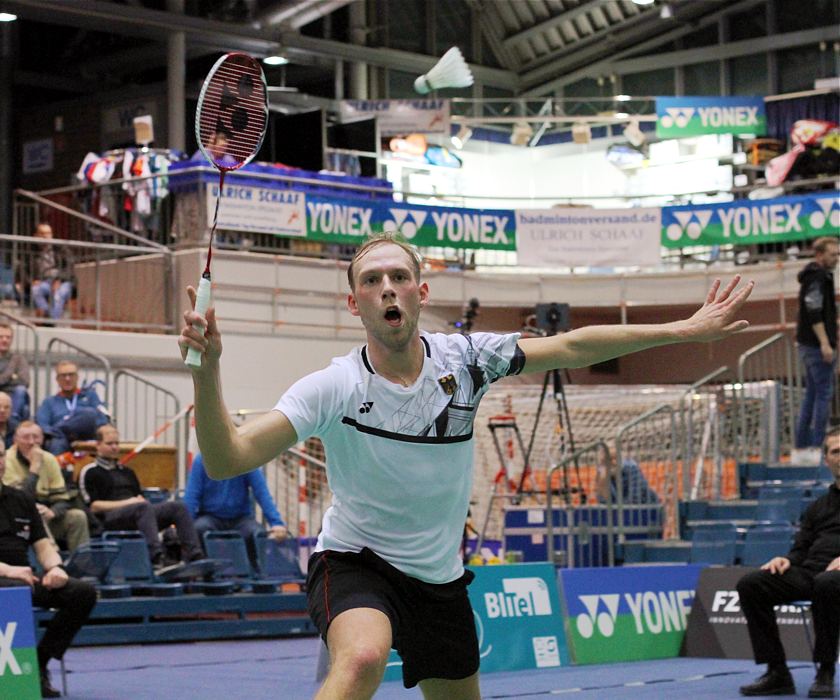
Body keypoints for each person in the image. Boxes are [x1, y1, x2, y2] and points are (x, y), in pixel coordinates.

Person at [178, 235, 754, 700]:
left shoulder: (469, 361)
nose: (388, 289)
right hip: (355, 561)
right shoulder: (334, 387)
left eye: (398, 277)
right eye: (371, 281)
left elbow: (573, 347)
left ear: (421, 291)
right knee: (360, 659)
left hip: (438, 578)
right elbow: (228, 457)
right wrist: (208, 373)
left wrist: (682, 329)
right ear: (355, 304)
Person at [736, 425, 840, 698]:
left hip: (833, 579)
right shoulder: (819, 506)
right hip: (812, 572)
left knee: (827, 583)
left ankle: (826, 669)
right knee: (751, 584)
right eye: (836, 451)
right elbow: (801, 548)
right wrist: (785, 559)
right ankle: (777, 672)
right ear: (826, 459)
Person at [0, 441, 97, 698]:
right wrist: (8, 570)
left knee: (82, 593)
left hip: (23, 579)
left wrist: (56, 568)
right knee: (17, 589)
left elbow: (43, 545)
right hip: (10, 579)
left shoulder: (21, 499)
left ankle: (38, 663)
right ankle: (12, 678)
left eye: (0, 456)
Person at [79, 424, 203, 568]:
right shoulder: (89, 472)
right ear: (98, 445)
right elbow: (94, 506)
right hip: (110, 518)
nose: (114, 447)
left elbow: (140, 497)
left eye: (117, 443)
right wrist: (129, 503)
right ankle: (156, 557)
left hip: (138, 513)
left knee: (177, 507)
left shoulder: (127, 472)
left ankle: (195, 556)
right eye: (109, 444)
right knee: (142, 508)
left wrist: (136, 503)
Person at [183, 452, 287, 568]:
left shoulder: (246, 459)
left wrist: (276, 523)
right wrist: (185, 526)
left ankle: (255, 574)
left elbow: (261, 492)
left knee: (257, 533)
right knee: (198, 530)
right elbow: (192, 495)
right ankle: (204, 574)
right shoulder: (201, 461)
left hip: (241, 519)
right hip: (210, 517)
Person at [3, 421, 90, 553]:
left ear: (43, 439)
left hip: (47, 514)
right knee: (36, 512)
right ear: (15, 440)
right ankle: (53, 564)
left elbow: (62, 498)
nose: (32, 442)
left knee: (77, 517)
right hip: (16, 518)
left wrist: (53, 512)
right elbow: (19, 500)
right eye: (26, 437)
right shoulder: (6, 460)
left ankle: (82, 567)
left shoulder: (49, 459)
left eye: (36, 437)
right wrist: (35, 468)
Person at [794, 236, 839, 463]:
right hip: (815, 346)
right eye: (833, 254)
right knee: (823, 395)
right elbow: (813, 310)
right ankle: (817, 448)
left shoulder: (818, 277)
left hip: (809, 344)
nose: (837, 258)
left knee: (812, 396)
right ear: (820, 255)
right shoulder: (817, 277)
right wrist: (824, 342)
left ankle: (803, 449)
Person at [35, 359, 110, 455]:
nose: (67, 379)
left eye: (71, 375)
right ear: (57, 380)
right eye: (63, 375)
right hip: (61, 440)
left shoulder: (90, 396)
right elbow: (42, 425)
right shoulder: (49, 402)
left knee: (88, 413)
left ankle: (60, 430)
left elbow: (102, 420)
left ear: (77, 377)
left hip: (88, 436)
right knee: (56, 443)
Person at [29, 222, 74, 321]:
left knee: (59, 293)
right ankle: (48, 315)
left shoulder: (61, 249)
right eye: (42, 233)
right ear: (35, 236)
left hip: (63, 281)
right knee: (36, 289)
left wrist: (59, 279)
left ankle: (51, 321)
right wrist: (32, 280)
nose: (46, 236)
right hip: (43, 282)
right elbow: (24, 271)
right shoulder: (30, 251)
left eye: (48, 233)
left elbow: (70, 269)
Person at [595, 443, 659, 505]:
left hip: (648, 509)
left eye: (616, 458)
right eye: (609, 459)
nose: (614, 462)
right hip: (623, 512)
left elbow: (634, 499)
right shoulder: (601, 475)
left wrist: (614, 507)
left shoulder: (631, 467)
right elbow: (603, 503)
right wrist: (603, 485)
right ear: (602, 463)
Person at [0, 321, 31, 423]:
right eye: (1, 337)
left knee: (21, 390)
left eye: (8, 337)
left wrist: (3, 381)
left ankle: (11, 422)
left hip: (12, 399)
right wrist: (11, 375)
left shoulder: (19, 358)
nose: (5, 340)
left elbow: (25, 382)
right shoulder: (15, 363)